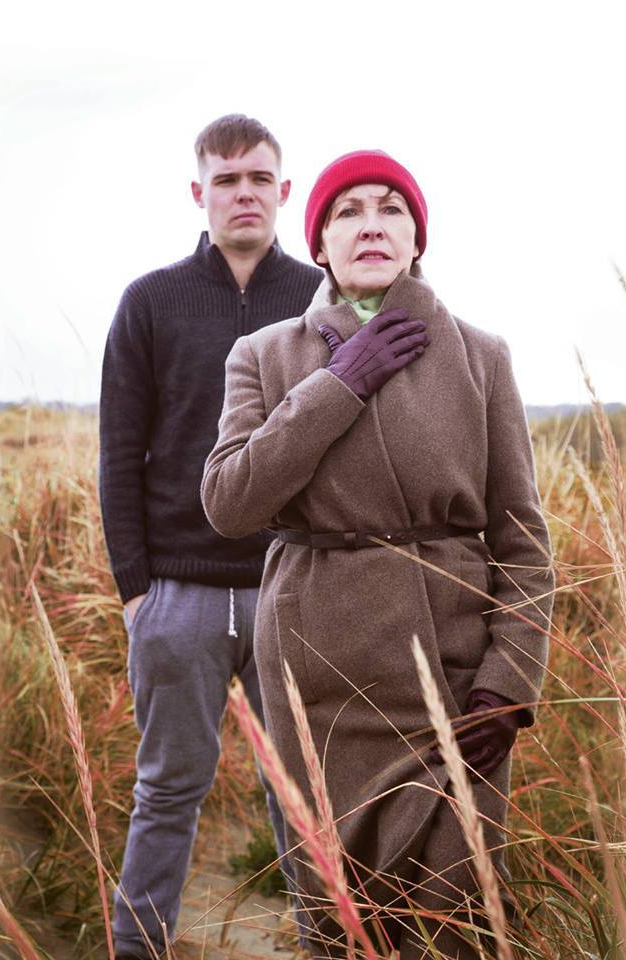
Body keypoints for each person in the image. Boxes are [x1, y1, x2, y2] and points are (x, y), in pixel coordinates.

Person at [202, 150, 555, 959]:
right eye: (348, 211)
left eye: (390, 208)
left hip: (454, 678)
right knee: (340, 915)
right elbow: (228, 504)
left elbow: (522, 539)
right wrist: (338, 384)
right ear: (319, 242)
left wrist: (508, 684)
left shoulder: (481, 354)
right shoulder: (262, 354)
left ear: (415, 238)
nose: (370, 224)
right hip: (317, 671)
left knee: (457, 919)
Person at [99, 114, 323, 960]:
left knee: (303, 794)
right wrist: (136, 593)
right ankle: (138, 948)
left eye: (259, 178)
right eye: (226, 180)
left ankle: (327, 943)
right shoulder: (150, 301)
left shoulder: (320, 298)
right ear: (199, 192)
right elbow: (119, 452)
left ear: (283, 190)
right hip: (178, 594)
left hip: (290, 588)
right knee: (166, 793)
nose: (243, 194)